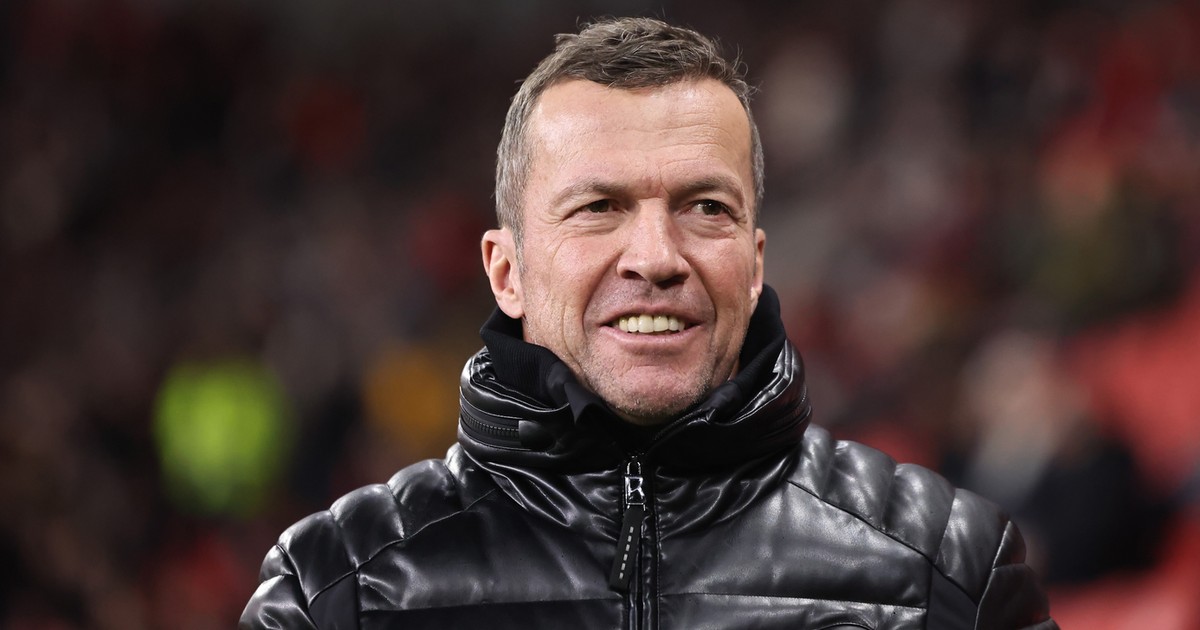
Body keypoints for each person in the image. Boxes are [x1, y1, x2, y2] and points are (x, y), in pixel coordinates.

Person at [241, 17, 1057, 629]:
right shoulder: (332, 589)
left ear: (756, 262)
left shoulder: (952, 571)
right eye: (599, 207)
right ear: (506, 272)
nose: (657, 257)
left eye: (706, 207)